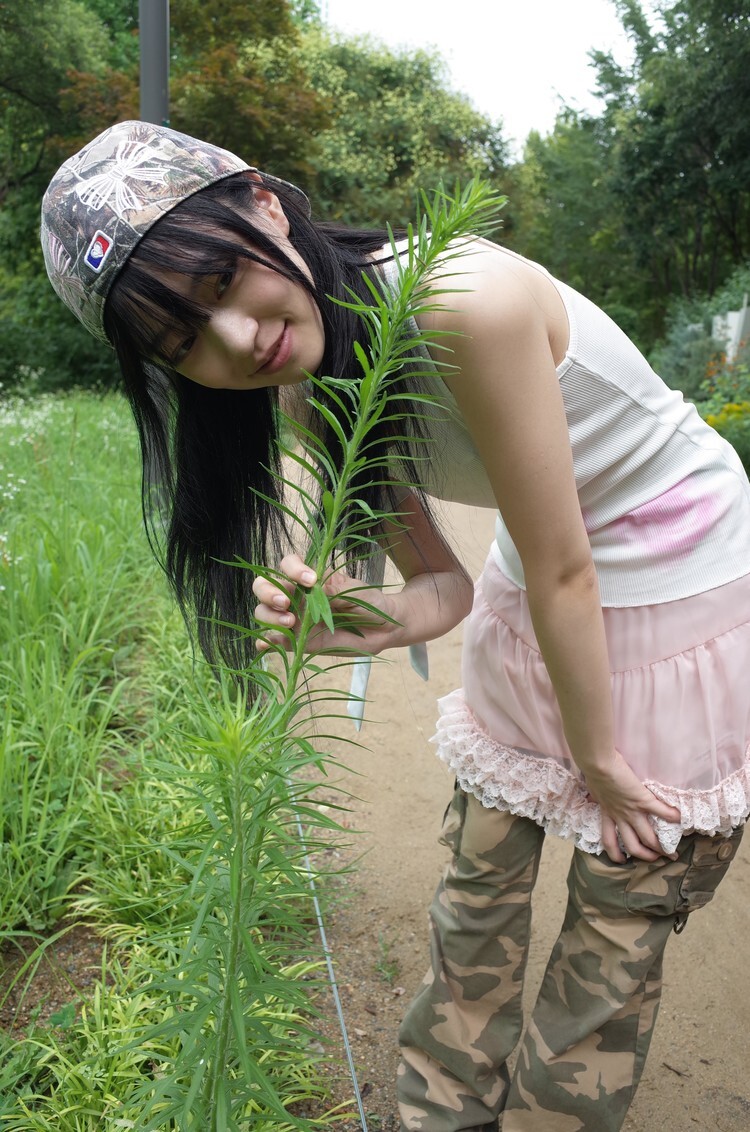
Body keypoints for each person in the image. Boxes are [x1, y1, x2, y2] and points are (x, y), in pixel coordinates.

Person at [41, 120, 750, 1132]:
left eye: (221, 283)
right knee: (477, 885)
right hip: (544, 578)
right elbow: (444, 589)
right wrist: (358, 621)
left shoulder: (464, 302)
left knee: (619, 914)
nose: (234, 340)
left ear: (266, 203)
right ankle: (439, 1113)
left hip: (683, 580)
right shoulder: (311, 394)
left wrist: (598, 758)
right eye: (184, 342)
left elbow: (567, 566)